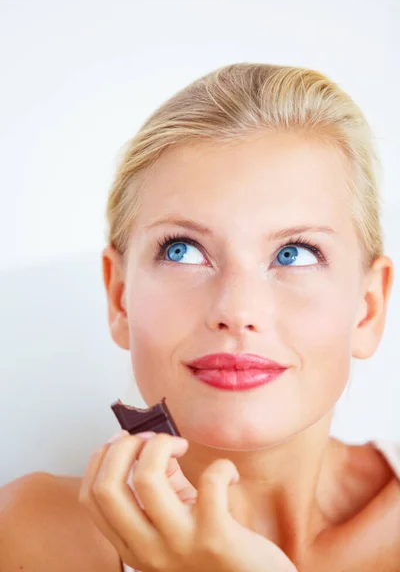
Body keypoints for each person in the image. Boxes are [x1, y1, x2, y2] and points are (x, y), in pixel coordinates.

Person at [1, 62, 399, 572]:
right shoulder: (37, 540)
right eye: (183, 251)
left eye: (295, 253)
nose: (236, 311)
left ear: (369, 308)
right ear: (119, 297)